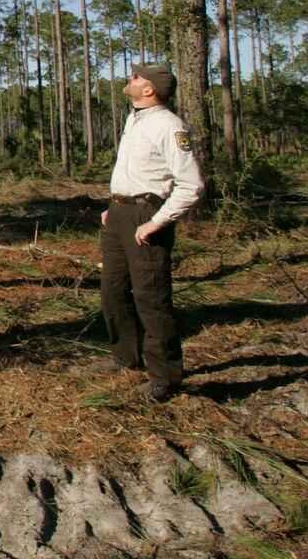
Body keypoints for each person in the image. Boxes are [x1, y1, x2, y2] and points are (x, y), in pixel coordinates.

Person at [96, 62, 205, 402]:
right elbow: (135, 169)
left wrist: (157, 221)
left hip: (147, 215)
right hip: (119, 213)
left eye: (137, 76)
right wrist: (114, 206)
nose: (131, 78)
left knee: (151, 299)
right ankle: (127, 357)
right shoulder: (135, 118)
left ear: (150, 89)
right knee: (113, 292)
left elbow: (191, 185)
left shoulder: (170, 126)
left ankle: (165, 377)